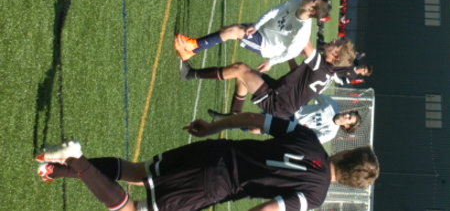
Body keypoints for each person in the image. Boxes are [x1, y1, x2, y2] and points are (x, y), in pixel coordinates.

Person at [36, 113, 379, 211]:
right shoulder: (314, 197)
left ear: (346, 153)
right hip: (215, 186)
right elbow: (266, 210)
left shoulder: (308, 138)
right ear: (350, 183)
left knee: (137, 171)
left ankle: (53, 167)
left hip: (215, 152)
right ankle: (75, 160)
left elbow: (254, 120)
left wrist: (213, 127)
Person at [180, 39, 357, 119]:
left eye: (337, 44)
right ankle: (234, 116)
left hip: (279, 101)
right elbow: (301, 77)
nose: (333, 41)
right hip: (281, 95)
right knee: (243, 77)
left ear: (335, 56)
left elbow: (305, 41)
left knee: (240, 69)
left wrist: (306, 10)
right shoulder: (327, 72)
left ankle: (189, 73)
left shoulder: (319, 64)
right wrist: (288, 56)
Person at [174, 0, 330, 72]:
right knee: (227, 30)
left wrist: (271, 62)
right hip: (262, 30)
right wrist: (256, 25)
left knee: (233, 31)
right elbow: (274, 11)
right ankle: (189, 52)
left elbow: (291, 53)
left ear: (312, 10)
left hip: (267, 45)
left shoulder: (303, 32)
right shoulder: (296, 1)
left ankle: (192, 45)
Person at [209, 94, 362, 144]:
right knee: (257, 118)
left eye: (349, 118)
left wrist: (301, 131)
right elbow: (313, 93)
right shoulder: (331, 104)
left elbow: (312, 139)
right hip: (290, 110)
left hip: (291, 127)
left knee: (257, 126)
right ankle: (226, 121)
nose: (346, 115)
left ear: (347, 126)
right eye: (349, 113)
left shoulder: (331, 132)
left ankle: (226, 122)